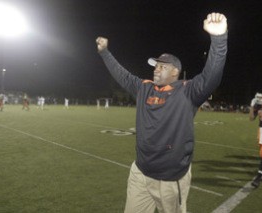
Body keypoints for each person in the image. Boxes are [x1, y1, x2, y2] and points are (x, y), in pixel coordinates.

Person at [96, 12, 228, 213]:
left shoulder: (187, 91)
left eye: (162, 66)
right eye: (155, 66)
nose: (156, 69)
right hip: (140, 173)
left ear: (175, 72)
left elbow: (212, 76)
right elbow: (121, 74)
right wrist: (105, 52)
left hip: (170, 179)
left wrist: (219, 39)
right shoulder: (144, 88)